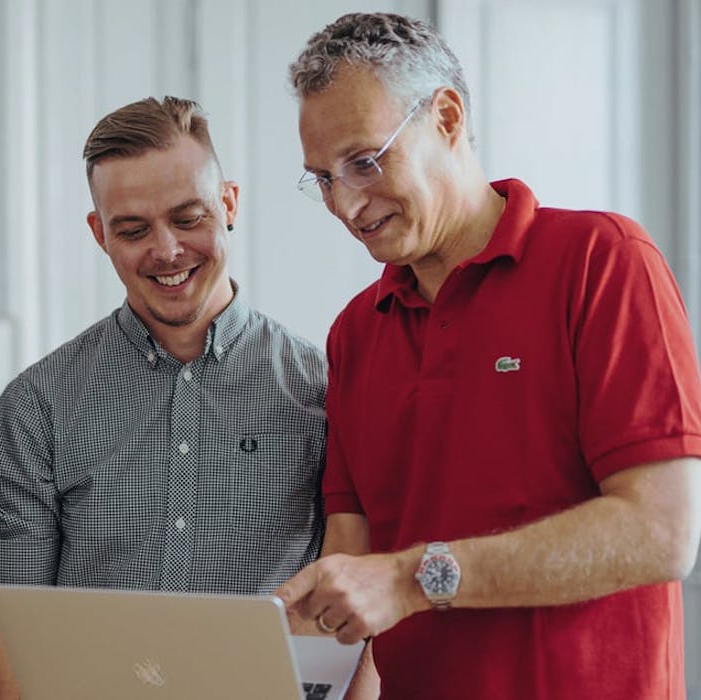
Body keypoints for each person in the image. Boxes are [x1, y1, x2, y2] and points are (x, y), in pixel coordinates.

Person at [274, 11, 701, 699]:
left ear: (445, 117)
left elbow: (662, 532)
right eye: (322, 178)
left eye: (364, 161)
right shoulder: (355, 332)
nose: (346, 205)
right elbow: (356, 570)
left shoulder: (604, 263)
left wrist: (415, 579)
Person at [0, 96, 329, 698]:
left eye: (189, 219)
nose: (166, 251)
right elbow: (12, 631)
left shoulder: (318, 391)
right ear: (99, 234)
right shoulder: (35, 408)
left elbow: (363, 614)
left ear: (230, 204)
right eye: (133, 229)